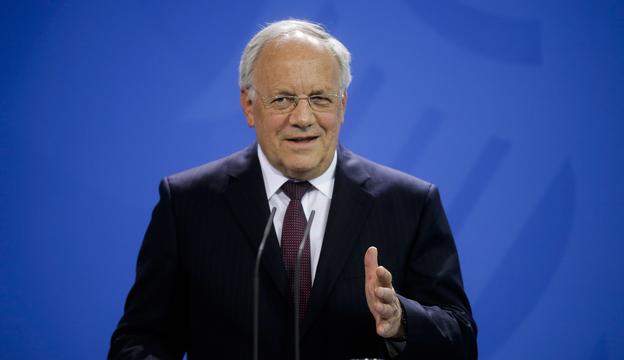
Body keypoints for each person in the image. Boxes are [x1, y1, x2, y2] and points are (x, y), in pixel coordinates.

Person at [109, 19, 477, 359]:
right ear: (249, 106)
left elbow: (461, 339)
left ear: (343, 105)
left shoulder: (410, 204)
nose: (303, 118)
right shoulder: (188, 203)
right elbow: (139, 341)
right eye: (282, 99)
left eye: (320, 98)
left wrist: (401, 321)